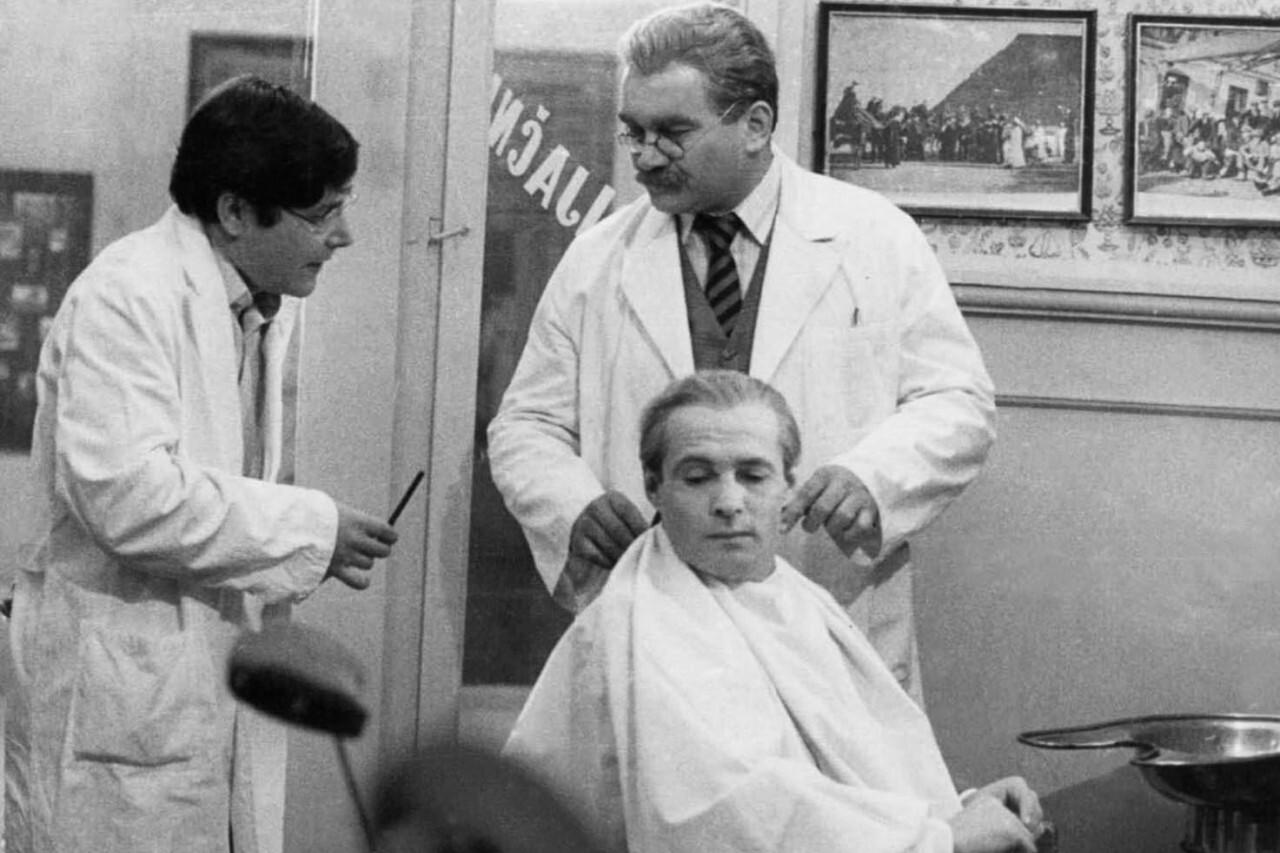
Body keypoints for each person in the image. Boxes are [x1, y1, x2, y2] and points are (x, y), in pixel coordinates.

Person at [487, 2, 995, 700]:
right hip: (655, 618)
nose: (645, 156)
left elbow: (958, 402)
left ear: (755, 125)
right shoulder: (597, 259)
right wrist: (570, 504)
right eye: (634, 131)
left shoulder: (874, 237)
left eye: (673, 132)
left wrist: (873, 478)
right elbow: (525, 425)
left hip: (824, 604)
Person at [5, 75, 399, 853]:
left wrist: (296, 543)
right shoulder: (126, 296)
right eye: (323, 213)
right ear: (235, 211)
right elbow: (127, 496)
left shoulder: (256, 306)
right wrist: (308, 528)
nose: (343, 236)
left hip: (197, 695)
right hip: (120, 708)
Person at [504, 371, 1047, 853]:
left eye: (753, 475)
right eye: (697, 477)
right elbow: (730, 819)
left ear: (788, 484)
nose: (728, 502)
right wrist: (939, 839)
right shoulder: (640, 623)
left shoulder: (793, 597)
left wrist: (957, 808)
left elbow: (843, 768)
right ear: (654, 487)